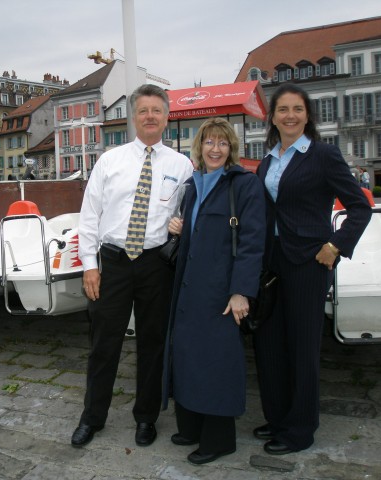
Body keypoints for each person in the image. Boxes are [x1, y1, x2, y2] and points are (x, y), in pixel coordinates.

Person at [71, 84, 193, 448]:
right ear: (134, 117)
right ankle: (93, 418)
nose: (150, 116)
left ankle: (146, 417)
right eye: (144, 111)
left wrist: (183, 225)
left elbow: (189, 212)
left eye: (157, 110)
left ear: (167, 116)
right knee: (103, 344)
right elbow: (89, 217)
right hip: (113, 264)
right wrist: (89, 266)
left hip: (157, 264)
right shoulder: (110, 161)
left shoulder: (181, 165)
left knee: (153, 344)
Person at [253, 83, 371, 455]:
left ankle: (300, 430)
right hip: (270, 262)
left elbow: (359, 207)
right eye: (283, 109)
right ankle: (277, 418)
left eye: (297, 109)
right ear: (272, 117)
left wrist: (336, 246)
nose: (290, 115)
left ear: (307, 116)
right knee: (269, 346)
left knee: (302, 349)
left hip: (307, 264)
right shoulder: (267, 160)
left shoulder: (323, 155)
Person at [161, 118, 266, 465]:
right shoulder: (193, 185)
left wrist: (241, 292)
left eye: (222, 143)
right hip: (190, 289)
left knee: (218, 362)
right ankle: (191, 427)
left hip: (222, 291)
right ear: (200, 147)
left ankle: (219, 440)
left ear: (231, 148)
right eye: (209, 142)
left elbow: (252, 243)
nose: (215, 149)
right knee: (189, 357)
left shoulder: (243, 185)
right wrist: (179, 227)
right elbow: (195, 235)